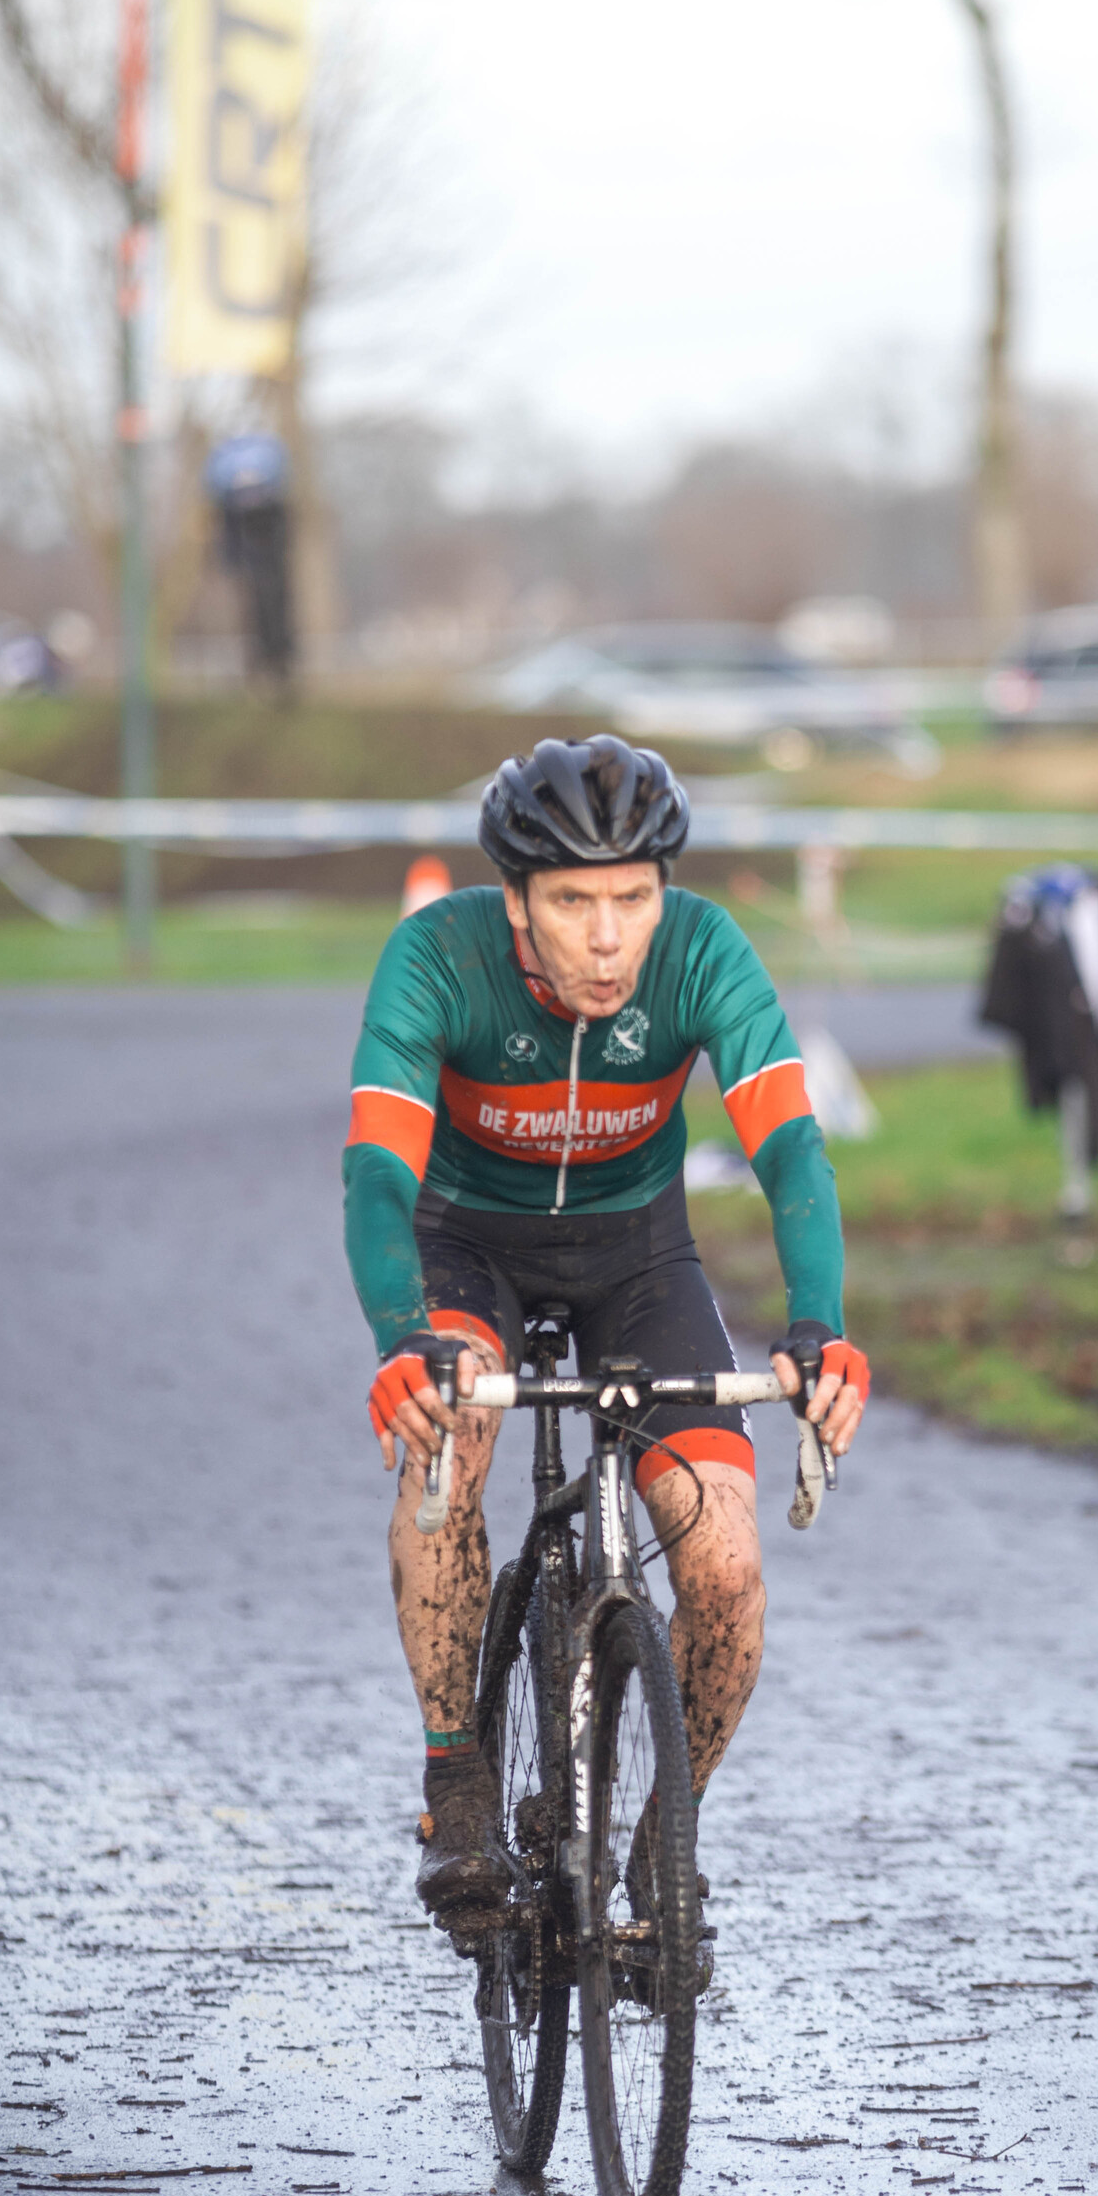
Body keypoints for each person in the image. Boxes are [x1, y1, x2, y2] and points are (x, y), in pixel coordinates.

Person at [343, 734, 870, 1928]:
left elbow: (789, 1143)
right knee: (448, 1444)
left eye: (631, 899)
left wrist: (818, 1325)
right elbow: (377, 1170)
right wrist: (398, 1336)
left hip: (638, 1259)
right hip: (463, 1250)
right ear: (516, 901)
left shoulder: (702, 955)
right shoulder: (436, 955)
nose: (605, 935)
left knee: (726, 1571)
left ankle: (657, 1833)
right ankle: (458, 1779)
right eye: (572, 901)